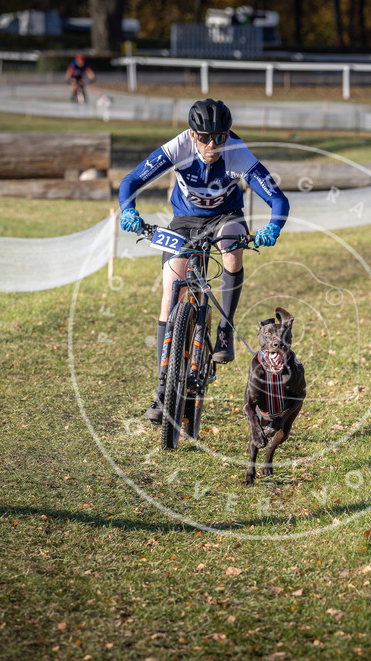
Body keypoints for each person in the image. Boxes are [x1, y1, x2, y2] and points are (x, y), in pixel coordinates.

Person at [118, 98, 290, 424]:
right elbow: (131, 181)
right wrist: (128, 210)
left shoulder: (237, 152)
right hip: (184, 221)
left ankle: (225, 329)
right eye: (204, 137)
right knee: (171, 286)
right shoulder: (178, 147)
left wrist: (272, 226)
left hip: (226, 218)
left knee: (231, 250)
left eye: (219, 137)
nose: (212, 145)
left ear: (227, 135)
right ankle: (161, 391)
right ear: (192, 134)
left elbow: (277, 198)